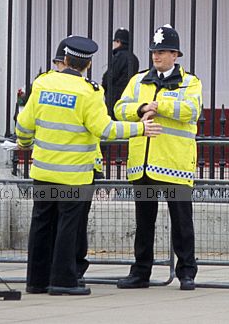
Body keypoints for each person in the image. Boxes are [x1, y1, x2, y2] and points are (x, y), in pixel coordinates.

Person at [16, 35, 162, 296]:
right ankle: (63, 280)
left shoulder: (42, 83)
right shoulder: (89, 91)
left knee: (40, 223)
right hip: (74, 174)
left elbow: (24, 123)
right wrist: (141, 128)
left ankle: (36, 281)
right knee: (67, 227)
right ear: (88, 64)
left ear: (66, 59)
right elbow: (104, 129)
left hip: (43, 170)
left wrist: (24, 143)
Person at [113, 24, 202, 291]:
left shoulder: (190, 81)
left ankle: (187, 273)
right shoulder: (138, 80)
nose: (156, 56)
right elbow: (119, 107)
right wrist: (140, 108)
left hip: (175, 163)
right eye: (154, 51)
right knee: (144, 224)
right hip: (144, 164)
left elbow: (191, 109)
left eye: (162, 51)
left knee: (182, 224)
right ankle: (141, 272)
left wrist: (159, 106)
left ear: (175, 54)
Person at [102, 28, 140, 115]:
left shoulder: (119, 56)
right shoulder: (134, 58)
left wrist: (104, 88)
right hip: (129, 97)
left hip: (115, 97)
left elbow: (109, 77)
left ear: (118, 42)